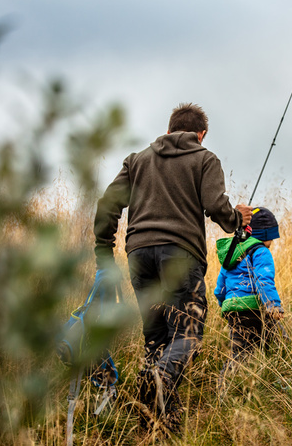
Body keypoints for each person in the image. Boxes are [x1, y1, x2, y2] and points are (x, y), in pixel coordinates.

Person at [93, 102, 252, 433]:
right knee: (188, 335)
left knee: (156, 340)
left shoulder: (136, 160)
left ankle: (157, 427)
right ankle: (158, 382)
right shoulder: (205, 159)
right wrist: (237, 217)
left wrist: (103, 251)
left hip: (138, 256)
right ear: (201, 135)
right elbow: (215, 207)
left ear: (168, 130)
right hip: (179, 257)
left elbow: (108, 203)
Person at [213, 207, 284, 384]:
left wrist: (227, 306)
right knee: (278, 341)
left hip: (233, 309)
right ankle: (277, 377)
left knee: (239, 351)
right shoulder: (261, 251)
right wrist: (273, 305)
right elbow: (264, 280)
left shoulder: (232, 255)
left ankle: (225, 386)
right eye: (272, 237)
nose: (272, 242)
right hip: (253, 308)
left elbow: (219, 290)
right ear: (265, 235)